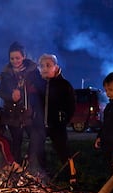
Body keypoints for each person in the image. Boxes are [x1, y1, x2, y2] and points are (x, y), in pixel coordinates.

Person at [0, 41, 45, 170]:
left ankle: (34, 166)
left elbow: (40, 88)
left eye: (17, 58)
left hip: (29, 112)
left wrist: (28, 94)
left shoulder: (33, 71)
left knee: (35, 138)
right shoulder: (6, 74)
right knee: (16, 140)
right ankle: (16, 167)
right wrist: (10, 95)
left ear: (24, 57)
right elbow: (1, 92)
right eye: (12, 58)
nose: (15, 61)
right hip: (12, 113)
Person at [38, 53, 76, 183]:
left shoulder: (64, 85)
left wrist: (63, 120)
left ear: (56, 67)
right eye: (42, 66)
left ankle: (71, 177)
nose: (45, 68)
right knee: (37, 149)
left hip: (57, 125)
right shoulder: (40, 85)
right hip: (42, 125)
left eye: (48, 65)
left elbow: (71, 105)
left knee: (63, 150)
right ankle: (43, 174)